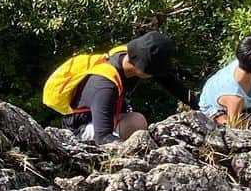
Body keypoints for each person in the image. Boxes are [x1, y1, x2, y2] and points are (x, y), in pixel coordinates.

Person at [55, 31, 194, 144]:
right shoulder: (105, 85)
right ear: (143, 69)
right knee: (136, 121)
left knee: (135, 122)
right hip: (79, 130)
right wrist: (139, 151)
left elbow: (168, 81)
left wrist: (199, 104)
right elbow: (103, 137)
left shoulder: (129, 56)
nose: (156, 75)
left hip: (106, 118)